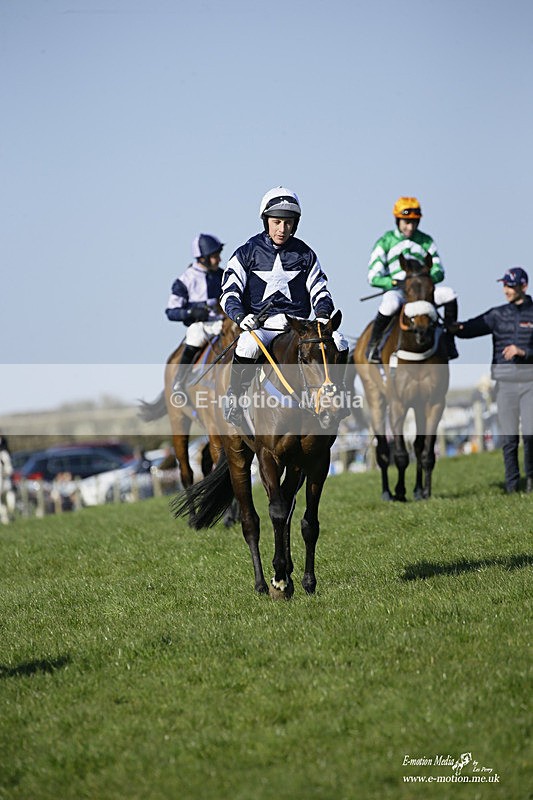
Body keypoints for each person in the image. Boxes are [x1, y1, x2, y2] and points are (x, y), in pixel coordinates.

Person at [220, 186, 349, 426]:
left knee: (340, 340)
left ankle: (339, 394)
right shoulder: (246, 252)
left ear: (295, 224)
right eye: (277, 222)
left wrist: (322, 315)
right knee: (247, 345)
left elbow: (320, 289)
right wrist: (241, 317)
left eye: (288, 223)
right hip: (264, 325)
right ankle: (235, 399)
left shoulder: (306, 254)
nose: (282, 229)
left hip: (300, 326)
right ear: (266, 221)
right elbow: (229, 293)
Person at [451, 267, 533, 494]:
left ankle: (531, 483)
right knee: (508, 439)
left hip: (530, 384)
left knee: (529, 435)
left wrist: (523, 352)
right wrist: (454, 327)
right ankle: (512, 486)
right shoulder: (497, 314)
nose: (506, 290)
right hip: (505, 384)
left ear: (523, 287)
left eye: (510, 285)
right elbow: (469, 328)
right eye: (504, 285)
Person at [366, 196, 459, 363]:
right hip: (399, 291)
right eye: (406, 222)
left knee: (449, 294)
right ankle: (373, 346)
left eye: (415, 222)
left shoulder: (426, 241)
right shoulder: (385, 241)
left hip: (423, 292)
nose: (410, 227)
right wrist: (393, 282)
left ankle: (450, 340)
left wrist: (427, 279)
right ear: (397, 220)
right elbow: (373, 276)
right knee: (389, 305)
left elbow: (439, 270)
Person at [165, 234, 225, 391]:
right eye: (214, 256)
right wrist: (191, 313)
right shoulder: (184, 280)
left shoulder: (222, 275)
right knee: (195, 334)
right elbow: (171, 312)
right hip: (202, 326)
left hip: (224, 322)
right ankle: (180, 381)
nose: (219, 260)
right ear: (203, 258)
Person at [0, 435, 15, 524]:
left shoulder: (4, 454)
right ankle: (4, 516)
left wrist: (5, 473)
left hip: (4, 479)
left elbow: (9, 468)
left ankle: (9, 512)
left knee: (9, 494)